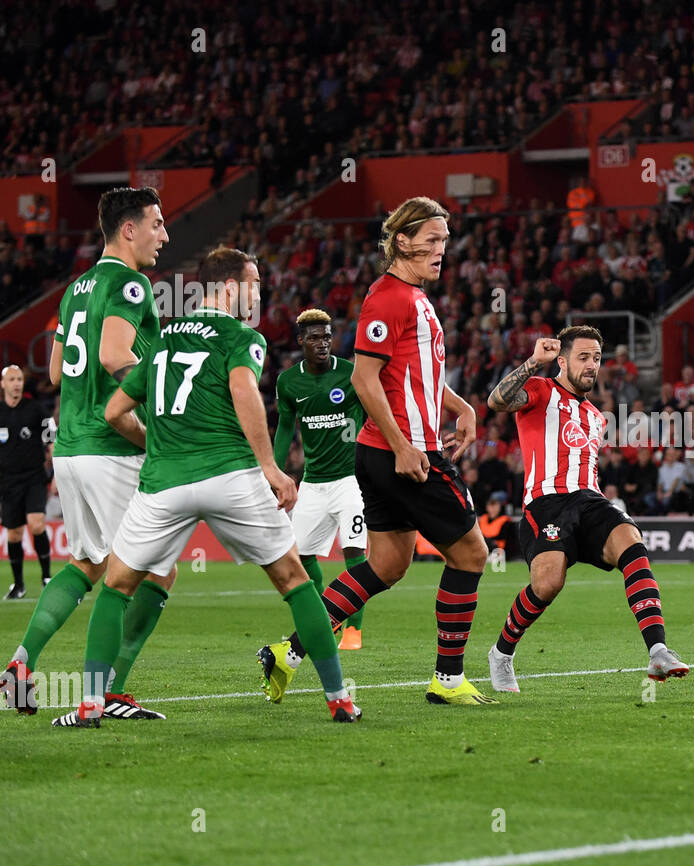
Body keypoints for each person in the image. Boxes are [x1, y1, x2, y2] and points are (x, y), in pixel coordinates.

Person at [53, 247, 359, 727]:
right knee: (296, 581)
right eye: (254, 283)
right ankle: (340, 699)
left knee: (115, 586)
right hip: (230, 475)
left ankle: (90, 703)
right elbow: (243, 393)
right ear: (231, 286)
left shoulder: (165, 338)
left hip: (163, 483)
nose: (259, 292)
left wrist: (156, 444)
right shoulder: (242, 336)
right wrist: (271, 469)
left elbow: (114, 412)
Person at [259, 197, 495, 707]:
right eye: (432, 239)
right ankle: (448, 679)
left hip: (392, 452)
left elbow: (410, 376)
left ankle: (288, 653)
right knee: (473, 554)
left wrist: (462, 407)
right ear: (403, 240)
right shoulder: (387, 298)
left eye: (445, 240)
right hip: (406, 455)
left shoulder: (413, 296)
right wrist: (403, 446)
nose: (441, 249)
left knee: (386, 565)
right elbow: (365, 380)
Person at [2, 188, 176, 720]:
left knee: (88, 563)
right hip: (113, 446)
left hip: (73, 449)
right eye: (157, 224)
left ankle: (20, 666)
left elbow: (55, 373)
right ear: (128, 229)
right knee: (157, 571)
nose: (164, 235)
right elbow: (114, 355)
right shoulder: (130, 283)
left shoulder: (75, 289)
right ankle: (109, 691)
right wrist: (161, 408)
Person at [483, 326, 688, 693]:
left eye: (596, 357)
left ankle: (658, 649)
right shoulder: (541, 390)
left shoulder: (596, 416)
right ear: (561, 360)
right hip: (546, 503)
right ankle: (501, 653)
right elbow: (496, 401)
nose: (592, 365)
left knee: (631, 541)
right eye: (583, 357)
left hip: (589, 500)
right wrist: (533, 363)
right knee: (547, 584)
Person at [272, 309, 369, 650]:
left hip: (351, 481)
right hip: (313, 483)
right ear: (300, 341)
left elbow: (375, 414)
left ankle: (353, 630)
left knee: (354, 551)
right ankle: (322, 619)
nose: (322, 343)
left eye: (327, 336)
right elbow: (285, 429)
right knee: (301, 559)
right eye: (314, 337)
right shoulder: (288, 382)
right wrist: (274, 471)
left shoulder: (352, 374)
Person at [0, 365, 54, 598]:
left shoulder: (36, 409)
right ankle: (18, 584)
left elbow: (51, 442)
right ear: (3, 384)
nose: (17, 383)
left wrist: (56, 475)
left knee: (37, 524)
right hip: (7, 482)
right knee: (13, 534)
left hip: (34, 477)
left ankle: (46, 577)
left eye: (19, 379)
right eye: (11, 379)